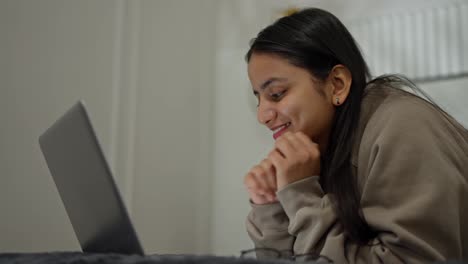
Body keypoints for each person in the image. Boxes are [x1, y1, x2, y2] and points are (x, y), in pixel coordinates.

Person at [242, 7, 468, 263]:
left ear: (337, 83)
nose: (263, 116)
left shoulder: (403, 126)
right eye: (258, 99)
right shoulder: (319, 149)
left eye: (276, 94)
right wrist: (273, 206)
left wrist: (301, 196)